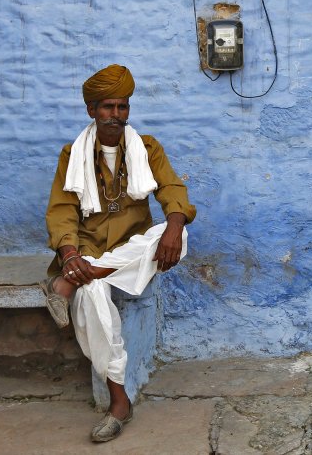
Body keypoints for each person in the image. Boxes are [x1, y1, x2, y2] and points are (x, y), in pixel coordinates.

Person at [40, 64, 196, 443]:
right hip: (89, 248)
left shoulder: (147, 148)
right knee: (92, 297)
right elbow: (62, 211)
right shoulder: (72, 155)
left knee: (178, 233)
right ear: (91, 110)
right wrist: (70, 254)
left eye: (122, 106)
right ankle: (119, 400)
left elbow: (172, 189)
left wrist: (173, 225)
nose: (115, 114)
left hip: (132, 246)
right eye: (107, 107)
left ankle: (69, 282)